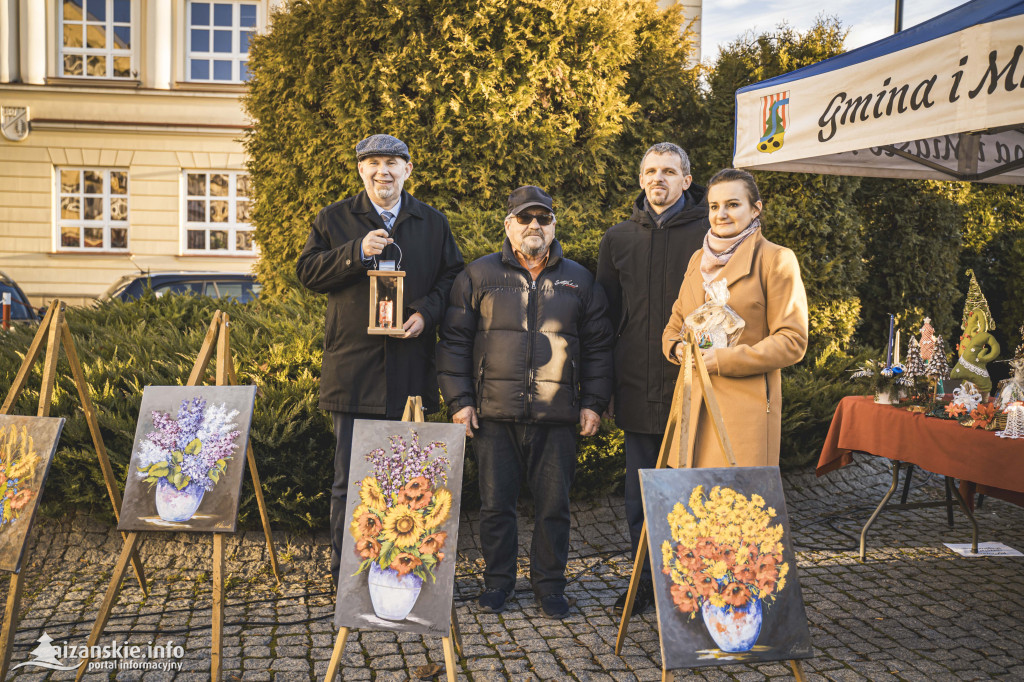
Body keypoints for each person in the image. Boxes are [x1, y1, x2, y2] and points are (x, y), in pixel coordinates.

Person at [437, 185, 613, 619]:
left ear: (554, 227)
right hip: (493, 413)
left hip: (558, 416)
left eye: (543, 219)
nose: (534, 226)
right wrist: (460, 401)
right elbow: (454, 342)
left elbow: (600, 347)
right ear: (508, 226)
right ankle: (498, 583)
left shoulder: (579, 279)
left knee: (554, 507)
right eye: (525, 218)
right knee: (496, 506)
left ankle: (550, 585)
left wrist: (593, 402)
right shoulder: (477, 276)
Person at [296, 133, 464, 587]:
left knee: (408, 481)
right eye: (372, 163)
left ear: (408, 170)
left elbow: (454, 278)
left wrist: (425, 314)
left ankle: (397, 571)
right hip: (353, 372)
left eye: (392, 162)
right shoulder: (334, 219)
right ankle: (346, 579)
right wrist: (355, 253)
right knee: (348, 481)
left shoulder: (432, 222)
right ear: (360, 171)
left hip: (411, 369)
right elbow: (307, 272)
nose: (382, 171)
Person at [597, 142, 709, 614]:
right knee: (640, 496)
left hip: (698, 387)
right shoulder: (618, 239)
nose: (658, 179)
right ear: (641, 180)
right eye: (650, 171)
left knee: (695, 492)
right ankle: (644, 583)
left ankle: (696, 587)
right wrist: (601, 391)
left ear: (687, 180)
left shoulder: (711, 233)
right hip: (637, 389)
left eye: (668, 171)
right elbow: (603, 320)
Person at [662, 168, 808, 468]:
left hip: (745, 408)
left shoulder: (776, 258)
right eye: (714, 206)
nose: (721, 214)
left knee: (736, 508)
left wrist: (724, 360)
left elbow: (792, 341)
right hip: (693, 405)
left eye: (733, 204)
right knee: (690, 508)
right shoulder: (696, 260)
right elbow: (674, 325)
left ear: (756, 208)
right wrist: (677, 349)